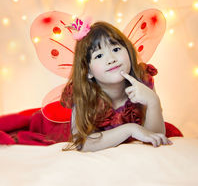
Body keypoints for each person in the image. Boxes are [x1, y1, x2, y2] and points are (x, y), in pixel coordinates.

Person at [60, 20, 173, 152]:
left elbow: (155, 137)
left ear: (129, 52)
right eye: (99, 55)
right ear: (88, 71)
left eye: (116, 49)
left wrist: (153, 101)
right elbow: (82, 142)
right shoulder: (81, 92)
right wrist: (130, 129)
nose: (111, 59)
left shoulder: (142, 79)